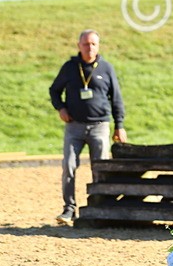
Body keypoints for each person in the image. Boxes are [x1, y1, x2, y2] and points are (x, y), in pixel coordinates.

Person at [49, 29, 126, 226]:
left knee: (100, 168)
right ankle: (69, 209)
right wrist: (61, 108)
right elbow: (54, 90)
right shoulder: (69, 68)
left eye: (93, 44)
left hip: (100, 126)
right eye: (85, 44)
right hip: (74, 126)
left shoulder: (106, 68)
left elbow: (116, 98)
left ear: (98, 46)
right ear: (79, 46)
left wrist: (120, 126)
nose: (89, 47)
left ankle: (98, 207)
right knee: (69, 165)